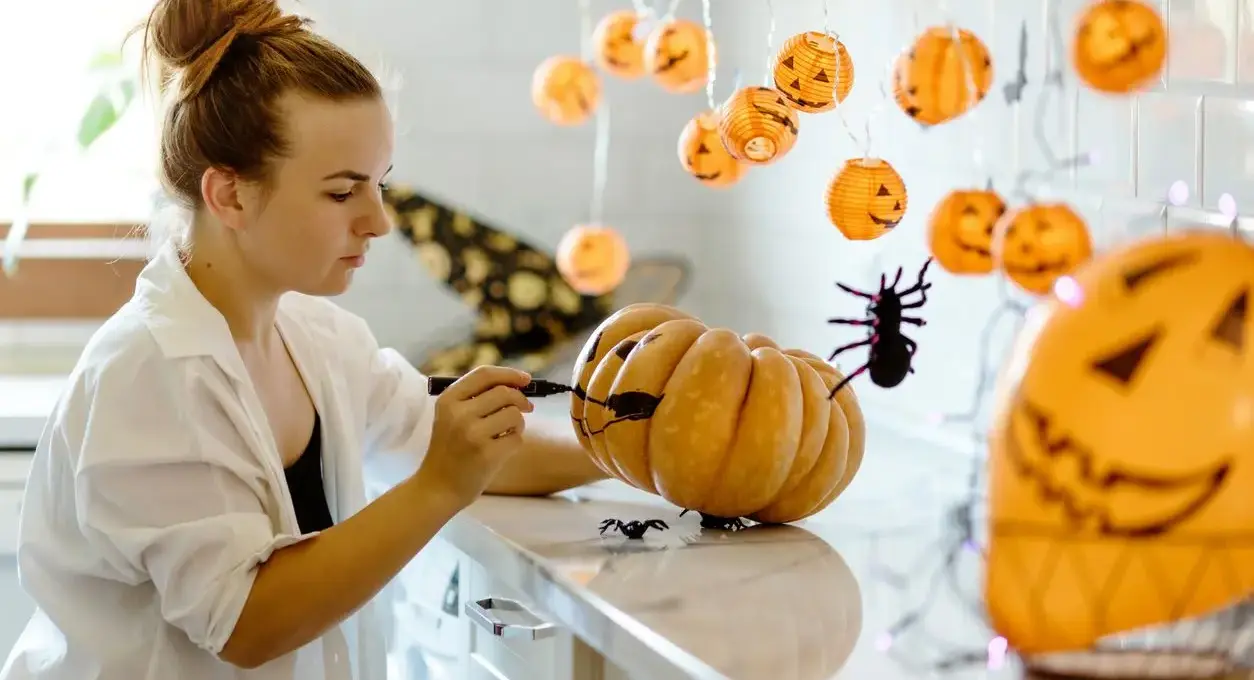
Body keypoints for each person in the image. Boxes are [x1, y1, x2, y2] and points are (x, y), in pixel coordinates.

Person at [0, 1, 607, 678]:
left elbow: (456, 444)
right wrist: (438, 486)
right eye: (343, 192)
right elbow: (246, 625)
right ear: (229, 196)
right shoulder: (148, 374)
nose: (379, 221)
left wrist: (637, 445)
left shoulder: (319, 338)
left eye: (379, 185)